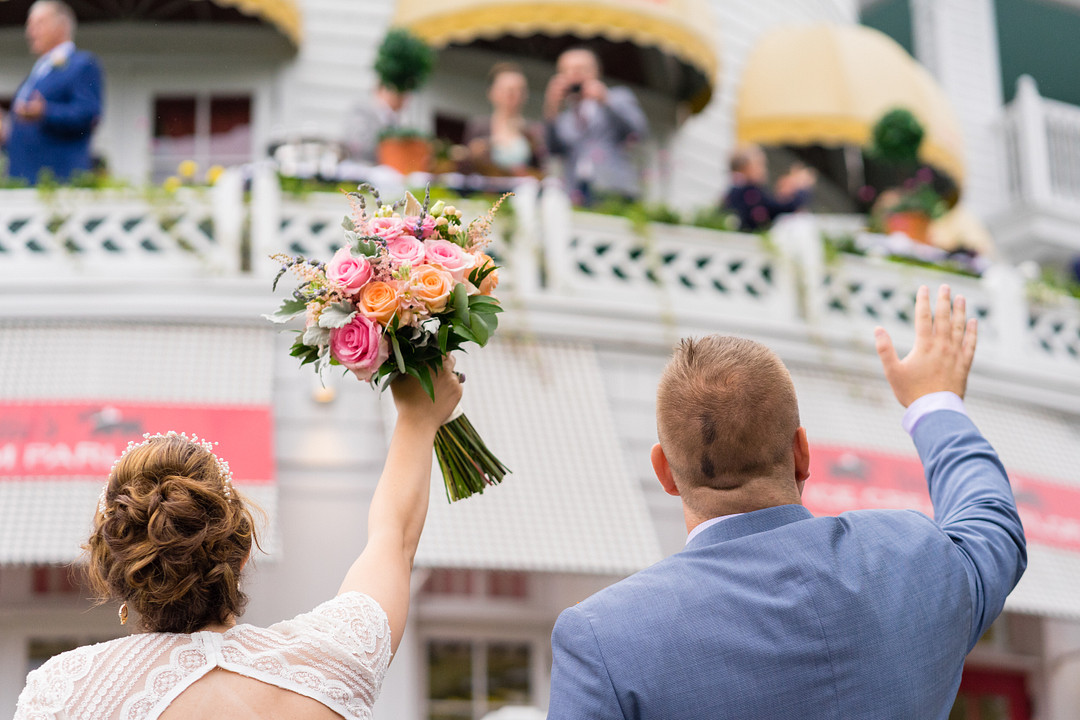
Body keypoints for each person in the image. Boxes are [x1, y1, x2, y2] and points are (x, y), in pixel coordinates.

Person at [547, 285, 1026, 719]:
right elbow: (993, 524)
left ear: (665, 472)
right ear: (802, 452)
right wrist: (934, 401)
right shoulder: (915, 558)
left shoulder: (604, 640)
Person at [15, 360, 462, 719]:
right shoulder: (330, 660)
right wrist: (418, 418)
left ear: (113, 568)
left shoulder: (65, 693)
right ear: (243, 552)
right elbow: (394, 540)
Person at [1, 1, 104, 185]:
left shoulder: (81, 64)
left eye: (38, 24)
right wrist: (6, 130)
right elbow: (29, 127)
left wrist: (46, 112)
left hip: (56, 182)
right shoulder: (38, 71)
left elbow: (89, 114)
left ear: (62, 25)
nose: (29, 32)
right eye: (29, 26)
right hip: (24, 180)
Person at [543, 47, 649, 206]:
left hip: (616, 190)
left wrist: (606, 100)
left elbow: (639, 130)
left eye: (580, 69)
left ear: (596, 71)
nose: (574, 75)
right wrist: (551, 109)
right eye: (567, 71)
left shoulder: (618, 98)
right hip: (577, 194)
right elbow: (552, 150)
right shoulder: (563, 118)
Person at [463, 62, 546, 178]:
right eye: (506, 90)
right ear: (491, 92)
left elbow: (542, 168)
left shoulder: (534, 129)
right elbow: (465, 168)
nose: (511, 95)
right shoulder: (479, 126)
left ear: (525, 94)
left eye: (518, 90)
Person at [722, 144, 816, 231]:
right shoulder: (749, 192)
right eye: (760, 165)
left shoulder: (737, 189)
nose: (764, 170)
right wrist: (802, 189)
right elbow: (780, 208)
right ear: (745, 168)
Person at [343, 84, 409, 165]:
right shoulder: (361, 110)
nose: (404, 99)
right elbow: (359, 144)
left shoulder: (396, 118)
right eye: (399, 94)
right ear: (381, 90)